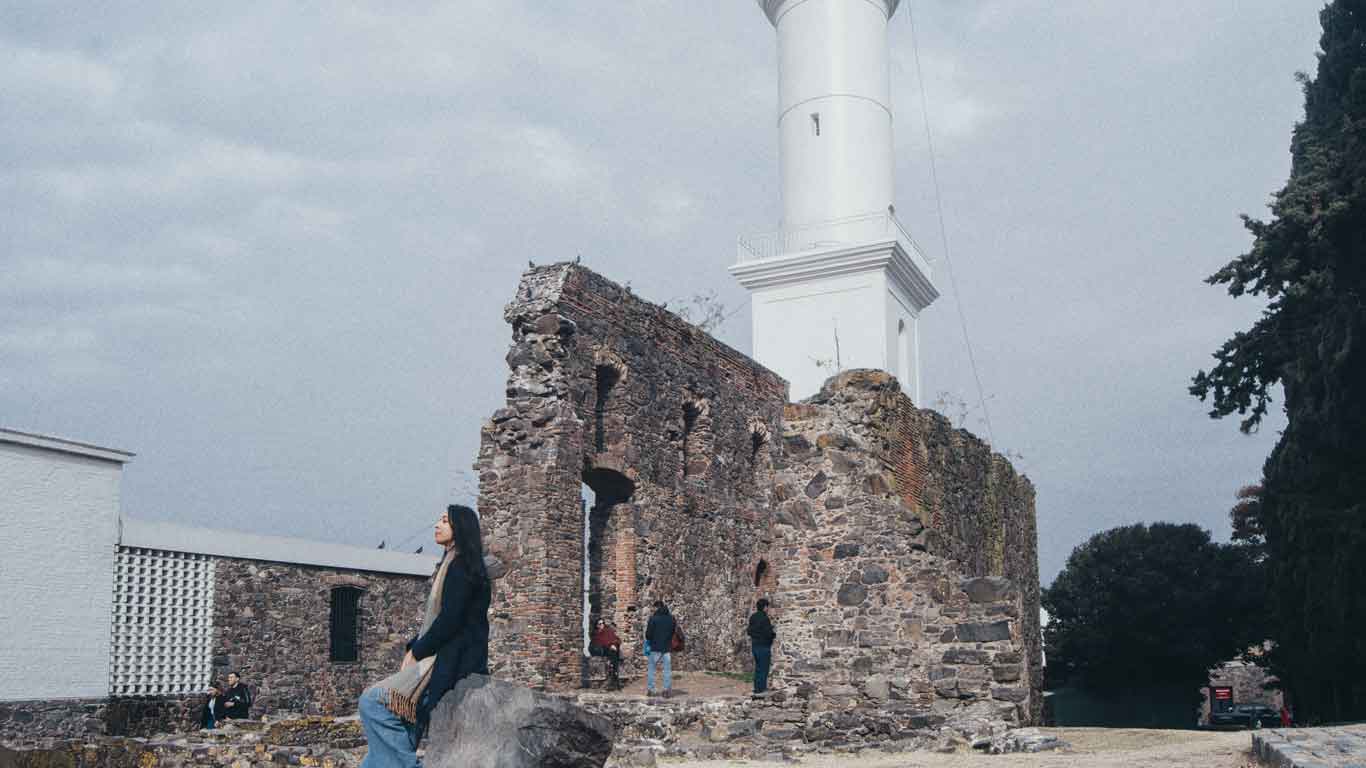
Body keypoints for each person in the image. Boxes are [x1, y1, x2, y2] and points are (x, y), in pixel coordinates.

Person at [358, 504, 491, 768]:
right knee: (398, 735)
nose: (437, 525)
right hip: (444, 659)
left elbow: (450, 620)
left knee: (372, 702)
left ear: (459, 528)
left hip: (451, 664)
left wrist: (416, 651)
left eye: (445, 520)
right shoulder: (453, 564)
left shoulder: (461, 567)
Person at [644, 600, 676, 698]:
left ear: (657, 607)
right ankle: (666, 690)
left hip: (655, 647)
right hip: (666, 648)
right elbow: (672, 632)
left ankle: (651, 690)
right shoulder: (671, 619)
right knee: (667, 670)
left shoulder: (653, 619)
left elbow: (648, 635)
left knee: (651, 669)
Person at [747, 598, 776, 697]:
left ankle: (757, 688)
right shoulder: (765, 618)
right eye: (767, 607)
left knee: (758, 668)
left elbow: (749, 631)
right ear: (765, 607)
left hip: (755, 645)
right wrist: (773, 634)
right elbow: (768, 633)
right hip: (764, 646)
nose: (768, 609)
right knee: (764, 668)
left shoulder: (753, 617)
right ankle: (762, 689)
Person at [588, 619, 623, 690]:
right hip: (603, 650)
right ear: (597, 625)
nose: (602, 625)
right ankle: (615, 676)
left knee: (613, 654)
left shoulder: (608, 631)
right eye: (600, 624)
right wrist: (610, 645)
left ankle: (614, 675)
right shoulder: (596, 634)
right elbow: (600, 642)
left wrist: (614, 644)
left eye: (603, 623)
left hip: (612, 650)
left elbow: (617, 639)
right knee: (612, 654)